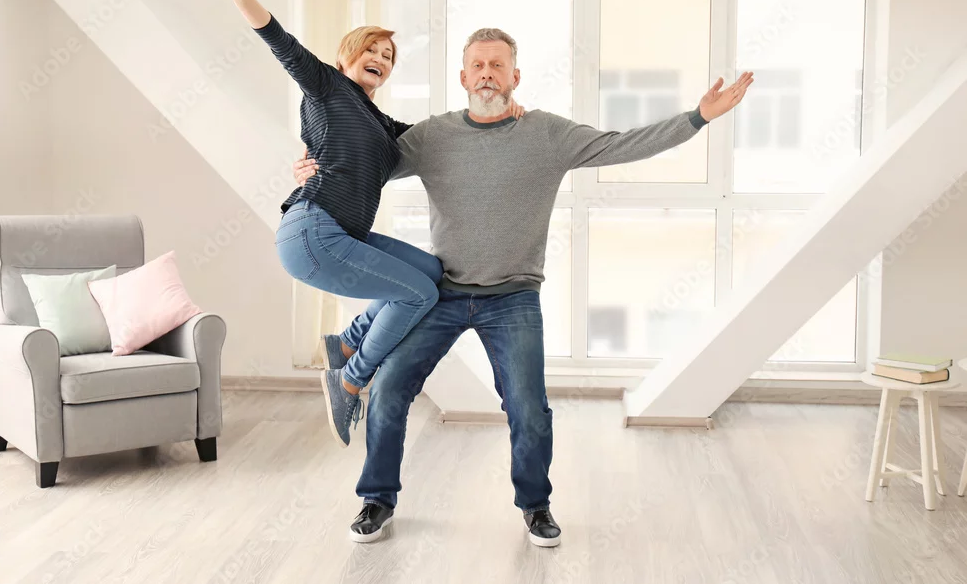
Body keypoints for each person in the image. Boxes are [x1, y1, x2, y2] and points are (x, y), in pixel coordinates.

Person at [296, 28, 754, 545]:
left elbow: (621, 145)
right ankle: (377, 499)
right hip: (443, 292)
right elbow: (362, 159)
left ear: (515, 76)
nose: (487, 74)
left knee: (528, 407)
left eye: (498, 65)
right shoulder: (431, 137)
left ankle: (536, 506)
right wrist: (312, 167)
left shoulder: (547, 134)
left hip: (513, 298)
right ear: (463, 77)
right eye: (478, 66)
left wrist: (698, 118)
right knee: (388, 389)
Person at [189, 0, 525, 448]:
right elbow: (276, 38)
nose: (381, 61)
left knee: (432, 272)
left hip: (342, 233)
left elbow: (443, 140)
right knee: (419, 294)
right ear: (346, 56)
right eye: (373, 50)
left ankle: (345, 343)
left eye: (388, 57)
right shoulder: (326, 85)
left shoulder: (382, 124)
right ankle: (349, 380)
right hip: (313, 231)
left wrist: (499, 109)